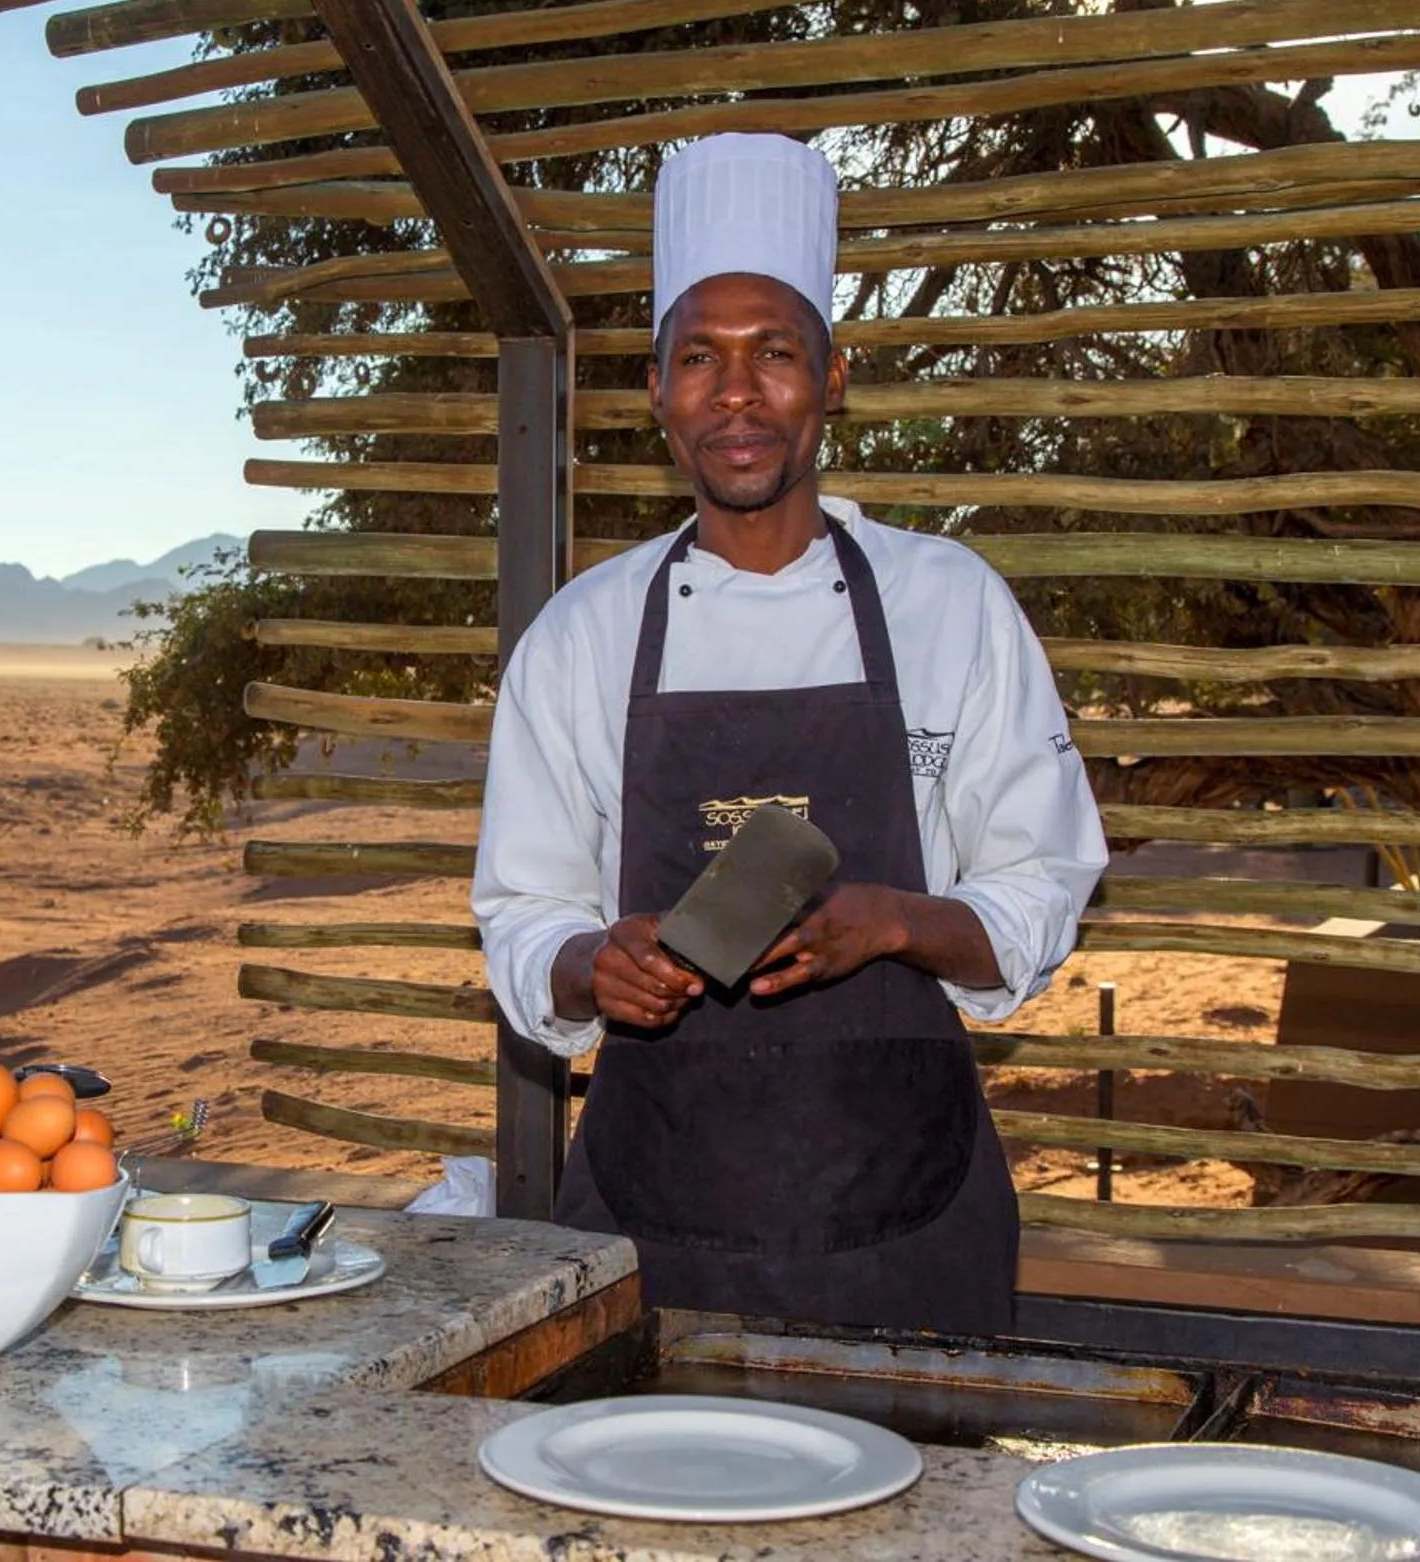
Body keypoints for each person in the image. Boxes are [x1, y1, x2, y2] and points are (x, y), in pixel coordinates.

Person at [471, 132, 1107, 1335]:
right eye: (699, 358)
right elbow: (522, 912)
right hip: (652, 1224)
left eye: (776, 353)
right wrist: (590, 962)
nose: (738, 393)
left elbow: (1043, 880)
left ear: (832, 376)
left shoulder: (950, 602)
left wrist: (901, 922)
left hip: (910, 1226)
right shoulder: (582, 636)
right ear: (656, 390)